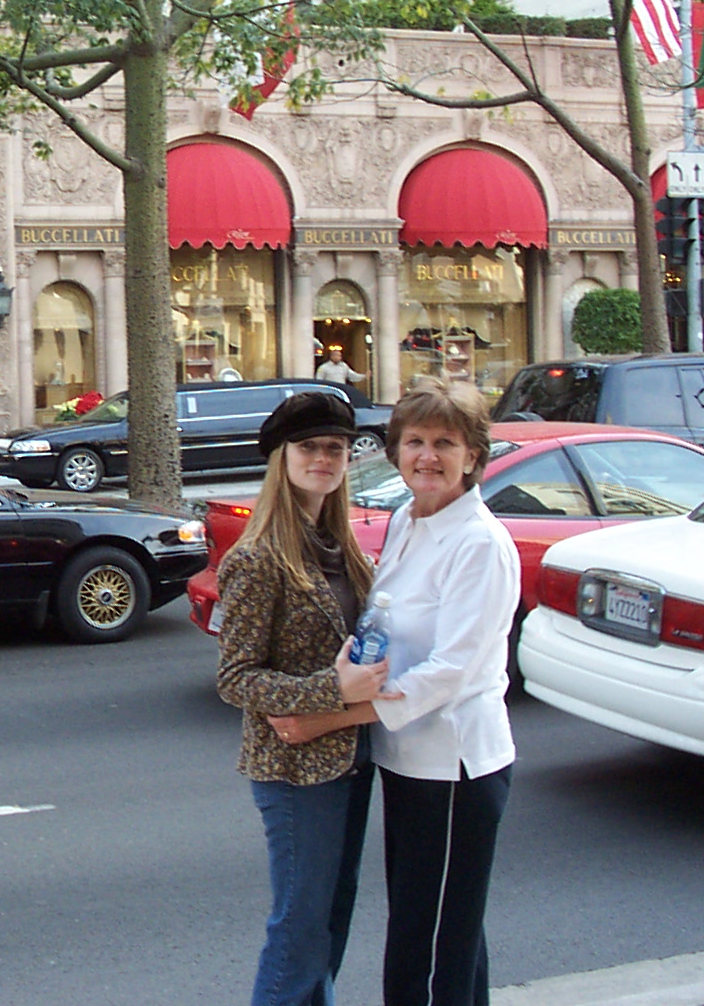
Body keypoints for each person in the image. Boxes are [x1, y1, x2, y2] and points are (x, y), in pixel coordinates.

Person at [273, 377, 520, 1006]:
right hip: (406, 760)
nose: (427, 456)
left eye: (445, 443)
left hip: (453, 764)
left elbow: (447, 673)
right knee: (443, 929)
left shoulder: (479, 543)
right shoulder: (410, 520)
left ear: (474, 457)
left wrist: (330, 716)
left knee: (427, 943)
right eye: (415, 442)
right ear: (395, 451)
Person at [214, 392, 393, 1006]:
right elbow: (236, 677)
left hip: (352, 757)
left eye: (335, 448)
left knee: (329, 921)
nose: (323, 458)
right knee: (300, 930)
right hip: (293, 772)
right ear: (282, 458)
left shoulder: (343, 548)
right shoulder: (257, 557)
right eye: (309, 447)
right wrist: (332, 689)